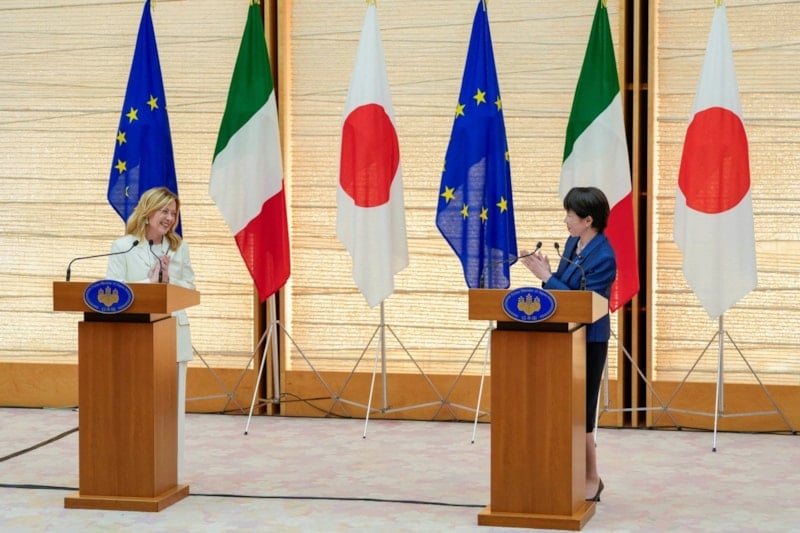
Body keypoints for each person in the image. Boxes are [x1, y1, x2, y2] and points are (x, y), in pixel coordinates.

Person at [519, 186, 616, 503]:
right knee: (563, 408)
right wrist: (547, 275)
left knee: (583, 411)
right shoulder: (573, 243)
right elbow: (563, 293)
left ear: (588, 220)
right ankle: (568, 472)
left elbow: (584, 304)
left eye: (570, 216)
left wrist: (548, 277)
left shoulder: (605, 257)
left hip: (590, 339)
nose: (566, 221)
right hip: (563, 336)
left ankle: (592, 478)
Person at [106, 186, 196, 484]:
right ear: (148, 212)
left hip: (173, 335)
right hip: (134, 338)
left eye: (173, 213)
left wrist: (168, 282)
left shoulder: (178, 247)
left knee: (171, 409)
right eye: (164, 211)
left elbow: (190, 290)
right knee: (135, 408)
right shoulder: (123, 246)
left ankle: (173, 474)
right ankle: (132, 471)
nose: (169, 218)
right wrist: (149, 283)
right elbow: (113, 290)